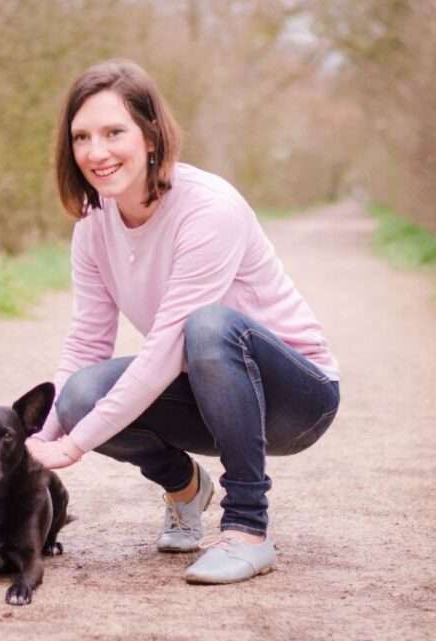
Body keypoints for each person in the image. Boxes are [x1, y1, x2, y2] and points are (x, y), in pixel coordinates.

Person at [25, 59, 341, 585]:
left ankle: (247, 530)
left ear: (151, 136)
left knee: (209, 326)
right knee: (81, 395)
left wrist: (74, 446)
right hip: (207, 392)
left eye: (113, 132)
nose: (96, 152)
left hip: (298, 399)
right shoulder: (94, 227)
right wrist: (36, 436)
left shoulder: (208, 208)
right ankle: (185, 488)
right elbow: (85, 343)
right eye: (82, 136)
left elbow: (166, 351)